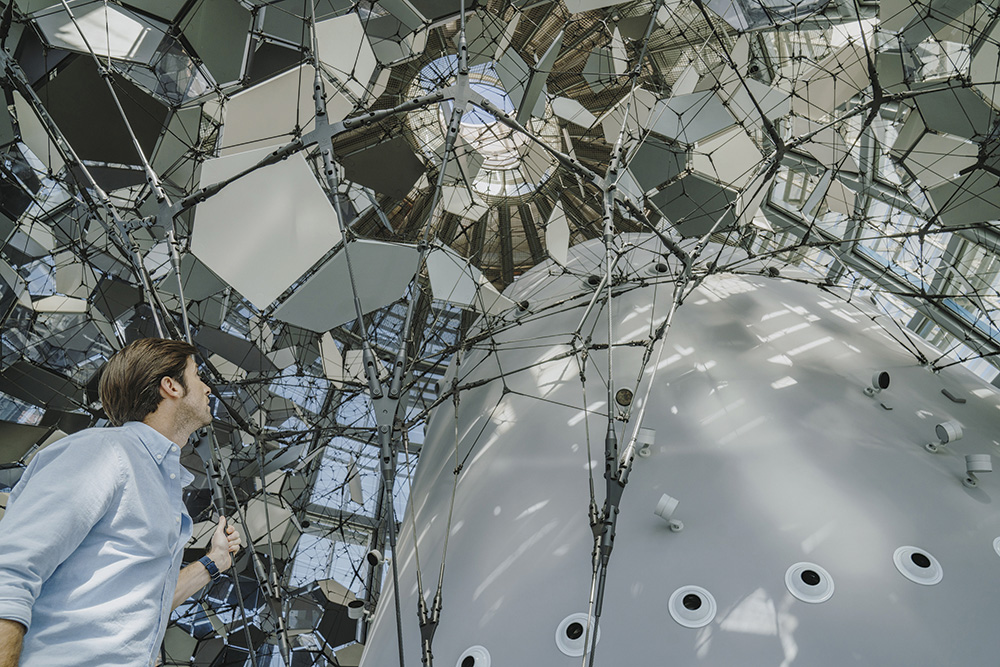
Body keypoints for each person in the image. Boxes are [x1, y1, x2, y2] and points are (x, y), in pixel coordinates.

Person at [0, 338, 242, 667]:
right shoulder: (105, 454)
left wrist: (215, 561)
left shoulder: (163, 487)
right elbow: (10, 572)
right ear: (170, 386)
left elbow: (144, 601)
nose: (208, 388)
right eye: (198, 375)